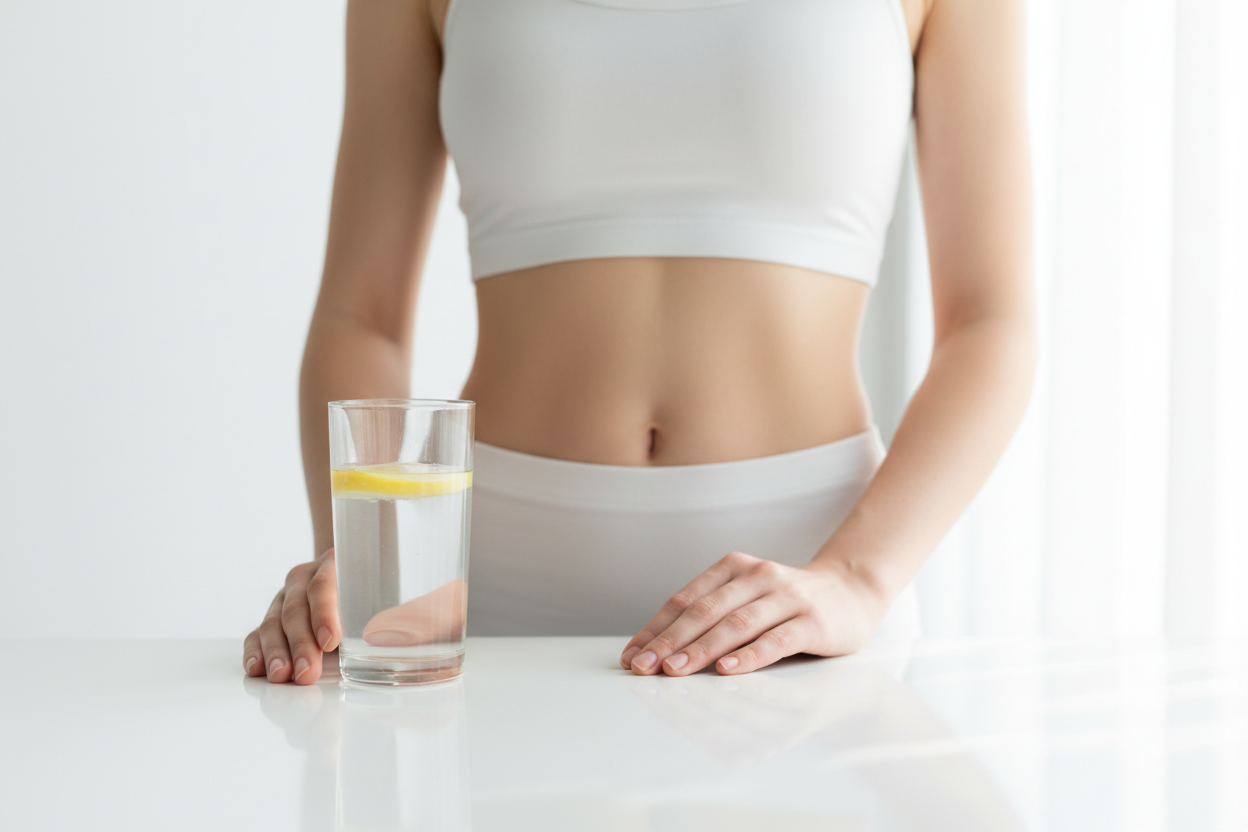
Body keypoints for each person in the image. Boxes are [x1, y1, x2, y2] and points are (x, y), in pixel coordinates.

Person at [243, 0, 1034, 686]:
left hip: (806, 598)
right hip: (476, 597)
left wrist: (857, 578)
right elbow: (363, 315)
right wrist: (361, 561)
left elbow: (990, 322)